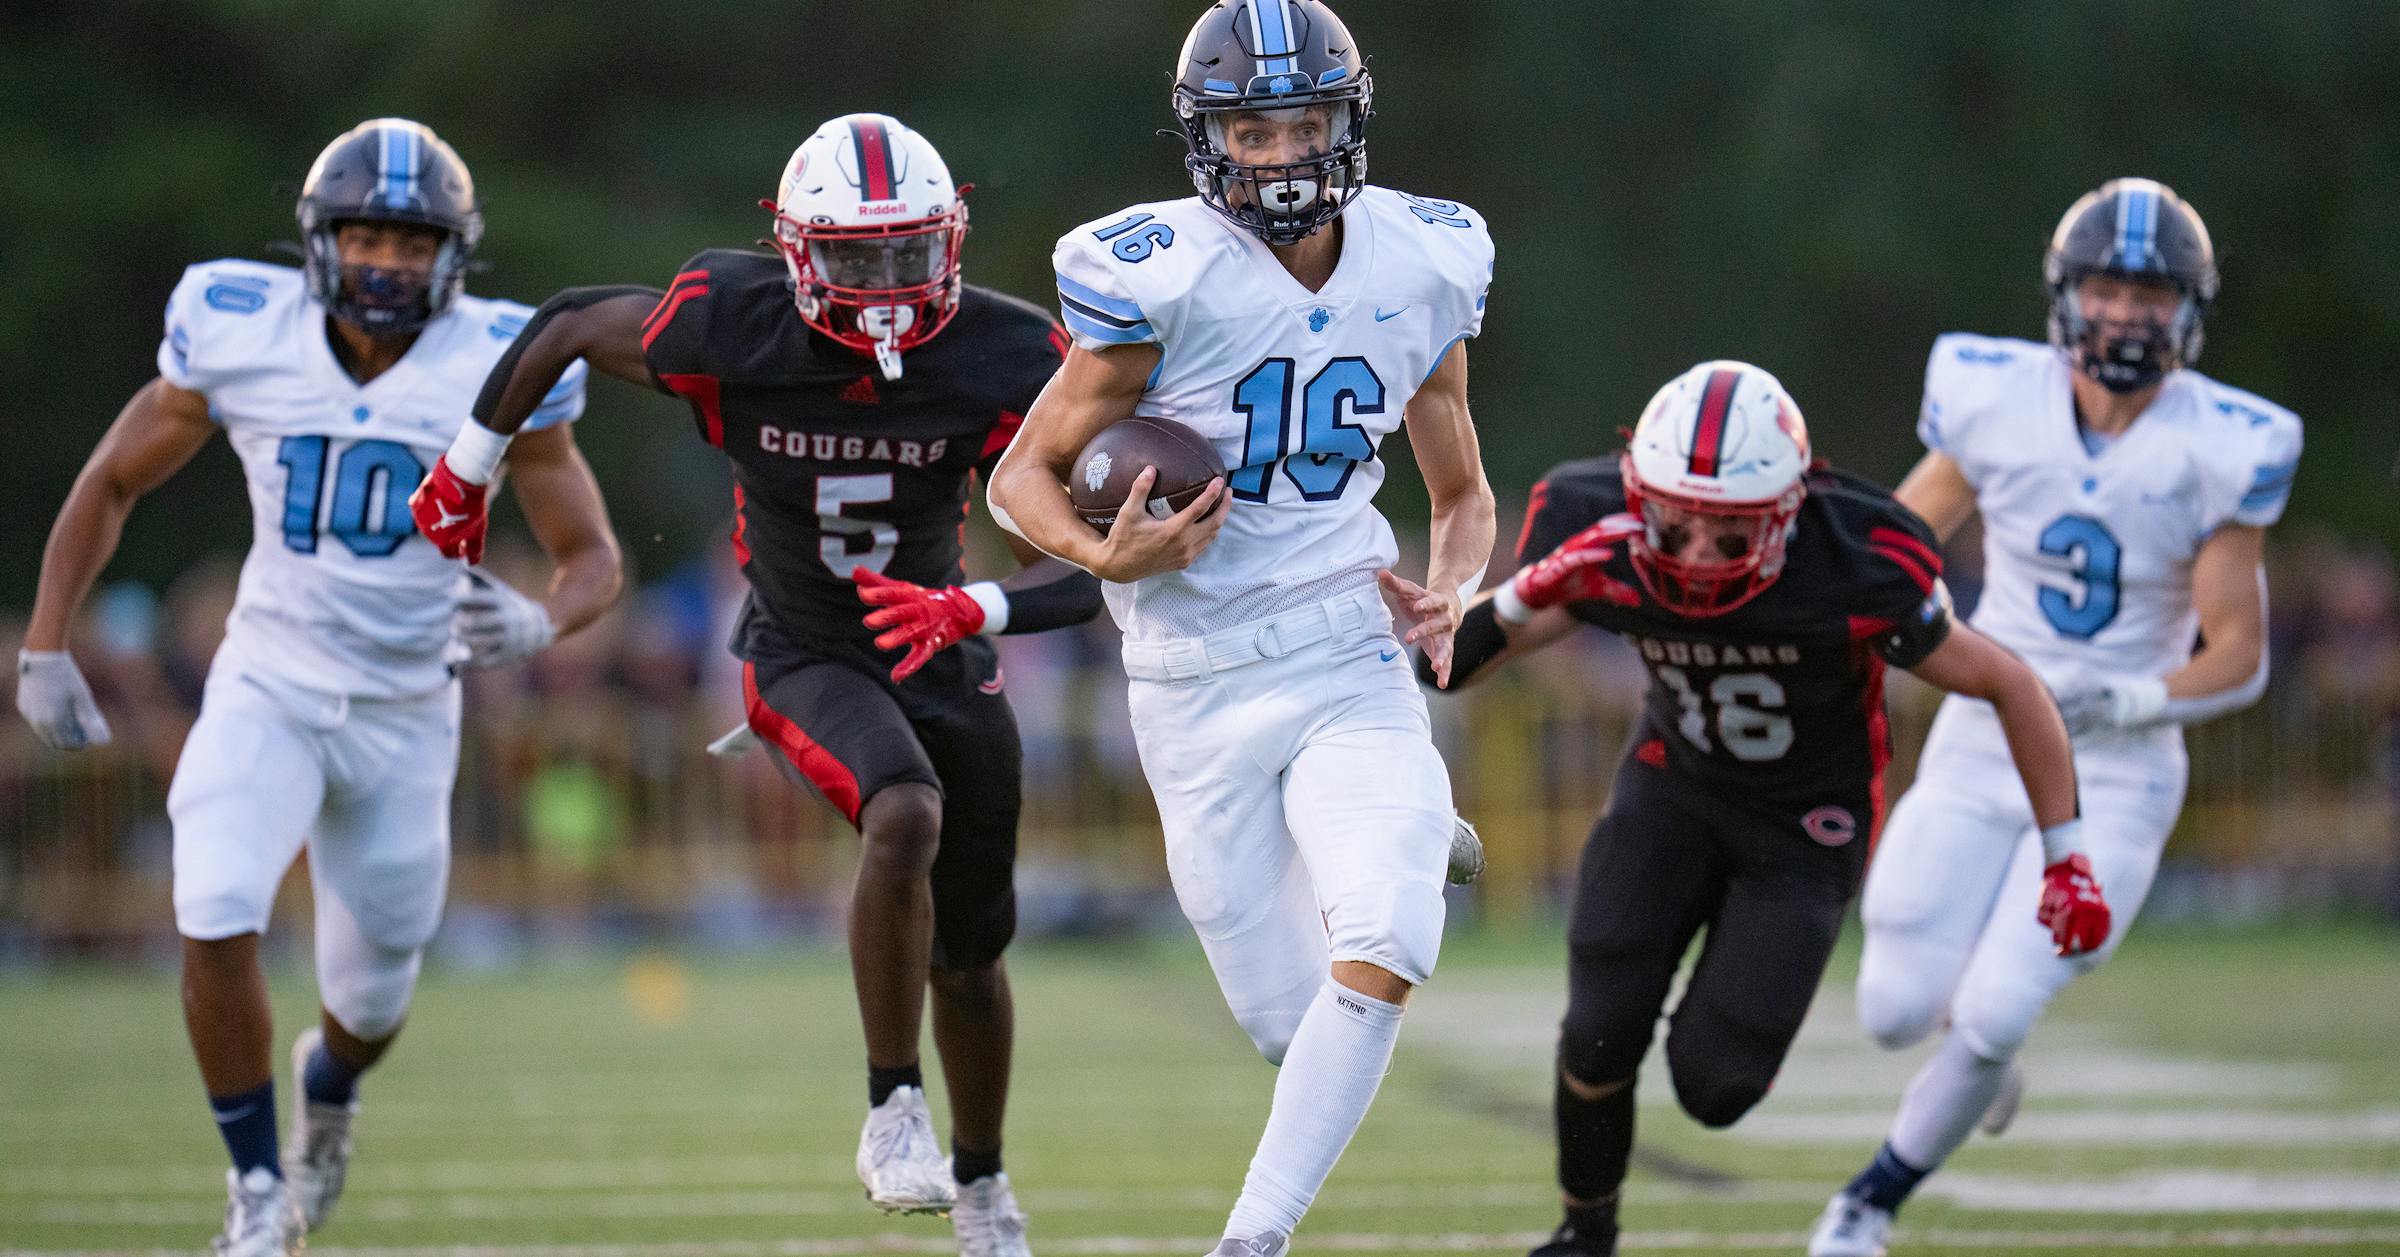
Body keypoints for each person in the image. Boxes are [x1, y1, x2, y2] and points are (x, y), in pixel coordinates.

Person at [408, 113, 1096, 1257]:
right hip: (803, 648)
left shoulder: (1006, 353)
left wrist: (973, 608)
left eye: (908, 252)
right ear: (795, 253)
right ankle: (891, 1108)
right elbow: (568, 320)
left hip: (940, 651)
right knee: (905, 809)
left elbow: (1083, 568)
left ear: (951, 241)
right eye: (858, 258)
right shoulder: (731, 325)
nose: (886, 286)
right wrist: (467, 468)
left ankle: (981, 1187)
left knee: (973, 959)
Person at [13, 118, 623, 1256]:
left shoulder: (499, 358)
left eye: (411, 242)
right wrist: (46, 643)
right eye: (366, 238)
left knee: (374, 994)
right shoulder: (243, 329)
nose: (386, 263)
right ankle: (256, 1188)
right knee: (214, 900)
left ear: (451, 254)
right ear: (320, 241)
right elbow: (111, 480)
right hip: (271, 680)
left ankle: (328, 1087)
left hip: (408, 706)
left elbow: (591, 555)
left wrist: (543, 618)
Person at [984, 3, 1497, 1252]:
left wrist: (1456, 587)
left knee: (1383, 942)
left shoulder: (1424, 260)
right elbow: (1017, 482)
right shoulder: (1158, 274)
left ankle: (1252, 1238)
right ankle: (1410, 828)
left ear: (1346, 122)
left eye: (1302, 124)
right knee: (1288, 1026)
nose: (1279, 154)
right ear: (1207, 140)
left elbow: (1463, 494)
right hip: (1189, 678)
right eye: (1251, 131)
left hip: (1343, 645)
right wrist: (1107, 553)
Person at [1427, 360, 2095, 1257]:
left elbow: (2010, 683)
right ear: (1641, 497)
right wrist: (1506, 596)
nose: (1700, 552)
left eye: (1732, 531)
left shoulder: (1852, 561)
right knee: (1598, 1028)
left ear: (1787, 514)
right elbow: (1453, 662)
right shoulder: (1604, 534)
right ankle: (1585, 1235)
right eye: (1677, 523)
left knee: (1715, 1084)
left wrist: (2067, 852)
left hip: (1806, 822)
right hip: (1673, 787)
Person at [1809, 178, 2300, 1257]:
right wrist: (1837, 613)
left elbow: (2240, 652)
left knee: (1998, 1007)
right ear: (2067, 294)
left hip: (2117, 767)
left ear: (2189, 309)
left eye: (2151, 294)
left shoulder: (2224, 443)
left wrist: (2133, 696)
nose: (2127, 314)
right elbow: (1900, 542)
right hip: (1986, 735)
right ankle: (1974, 1059)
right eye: (2108, 289)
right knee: (1893, 1008)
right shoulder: (1995, 397)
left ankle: (1867, 1205)